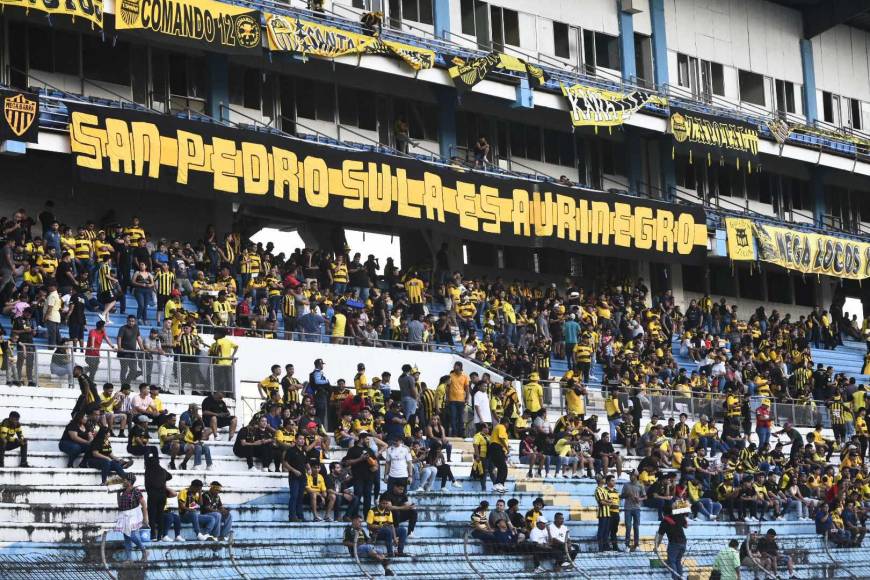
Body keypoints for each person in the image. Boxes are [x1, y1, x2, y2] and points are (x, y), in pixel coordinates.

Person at [114, 473, 149, 561]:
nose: (123, 481)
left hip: (133, 515)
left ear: (129, 482)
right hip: (124, 515)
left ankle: (144, 550)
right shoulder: (123, 491)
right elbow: (120, 505)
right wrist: (118, 494)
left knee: (132, 535)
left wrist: (145, 517)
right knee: (126, 538)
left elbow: (143, 504)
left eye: (125, 480)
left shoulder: (136, 491)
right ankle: (129, 559)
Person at [655, 503, 688, 580]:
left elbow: (660, 536)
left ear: (663, 513)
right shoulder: (678, 516)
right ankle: (680, 578)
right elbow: (686, 526)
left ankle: (675, 578)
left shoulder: (664, 521)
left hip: (674, 543)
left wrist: (656, 547)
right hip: (683, 542)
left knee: (671, 561)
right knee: (678, 561)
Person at [282, 434, 309, 522]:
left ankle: (300, 516)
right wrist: (294, 471)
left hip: (303, 477)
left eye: (303, 439)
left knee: (300, 497)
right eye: (300, 438)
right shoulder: (291, 450)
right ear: (296, 440)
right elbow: (285, 463)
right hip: (294, 477)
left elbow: (306, 462)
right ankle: (292, 516)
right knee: (294, 496)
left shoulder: (304, 451)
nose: (302, 440)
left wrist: (309, 469)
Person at [620, 470, 645, 552]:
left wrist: (639, 499)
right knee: (628, 526)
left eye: (632, 475)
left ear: (636, 476)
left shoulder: (640, 485)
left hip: (637, 508)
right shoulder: (626, 485)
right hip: (627, 508)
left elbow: (645, 496)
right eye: (630, 475)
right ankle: (627, 545)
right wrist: (627, 494)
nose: (631, 477)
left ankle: (636, 545)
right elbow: (622, 496)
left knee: (636, 527)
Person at [488, 416, 510, 493]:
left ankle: (500, 484)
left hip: (498, 449)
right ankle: (498, 483)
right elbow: (501, 438)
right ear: (505, 423)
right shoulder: (501, 427)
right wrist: (507, 448)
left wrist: (505, 451)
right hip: (496, 447)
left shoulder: (500, 428)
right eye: (508, 424)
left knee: (502, 467)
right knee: (503, 467)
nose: (508, 426)